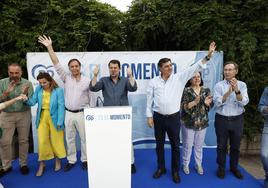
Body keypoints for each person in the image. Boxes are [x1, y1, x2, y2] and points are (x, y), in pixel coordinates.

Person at [146, 42, 216, 184]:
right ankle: (161, 168)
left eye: (171, 65)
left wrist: (208, 56)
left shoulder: (180, 77)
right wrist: (149, 116)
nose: (170, 68)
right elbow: (149, 100)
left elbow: (195, 67)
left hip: (173, 118)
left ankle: (175, 171)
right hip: (158, 118)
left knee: (175, 146)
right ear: (160, 68)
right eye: (166, 66)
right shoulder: (153, 81)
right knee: (159, 145)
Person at [38, 35, 94, 172]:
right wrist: (49, 47)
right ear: (69, 68)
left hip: (82, 114)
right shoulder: (66, 78)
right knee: (69, 138)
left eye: (76, 66)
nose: (74, 68)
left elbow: (92, 97)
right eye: (72, 66)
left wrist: (91, 113)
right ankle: (71, 160)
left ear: (80, 67)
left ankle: (85, 160)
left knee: (84, 139)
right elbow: (56, 63)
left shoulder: (87, 80)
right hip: (68, 113)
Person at [90, 59, 138, 173]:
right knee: (110, 139)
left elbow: (133, 88)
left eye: (115, 68)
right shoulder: (103, 80)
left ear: (119, 69)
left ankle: (130, 162)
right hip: (108, 116)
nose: (113, 70)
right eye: (111, 68)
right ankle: (113, 160)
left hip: (123, 116)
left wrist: (130, 75)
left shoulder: (125, 80)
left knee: (126, 139)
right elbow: (93, 88)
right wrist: (95, 75)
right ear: (109, 69)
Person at [25, 72, 66, 176]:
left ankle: (57, 160)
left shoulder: (58, 90)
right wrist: (25, 99)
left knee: (56, 140)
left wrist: (60, 121)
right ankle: (42, 164)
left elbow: (61, 106)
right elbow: (33, 102)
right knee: (42, 141)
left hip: (55, 118)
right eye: (40, 82)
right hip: (42, 117)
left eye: (44, 82)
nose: (42, 84)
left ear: (50, 81)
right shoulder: (39, 89)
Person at [213, 61, 249, 179]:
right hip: (222, 120)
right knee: (221, 146)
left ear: (236, 71)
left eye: (230, 69)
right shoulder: (219, 85)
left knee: (235, 146)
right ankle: (221, 168)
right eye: (225, 70)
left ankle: (234, 168)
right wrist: (228, 92)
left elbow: (244, 102)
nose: (227, 72)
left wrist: (237, 90)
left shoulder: (242, 85)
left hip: (237, 120)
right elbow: (217, 102)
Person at [0, 63, 33, 177]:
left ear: (21, 72)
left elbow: (31, 100)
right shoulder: (2, 82)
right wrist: (6, 93)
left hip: (24, 114)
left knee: (23, 140)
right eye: (11, 73)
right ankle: (6, 166)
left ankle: (23, 164)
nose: (14, 75)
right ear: (8, 72)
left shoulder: (27, 83)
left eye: (16, 73)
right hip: (6, 115)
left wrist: (25, 96)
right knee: (5, 142)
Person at [181, 72, 213, 175]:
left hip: (202, 122)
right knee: (187, 145)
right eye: (194, 77)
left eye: (198, 76)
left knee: (199, 145)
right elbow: (183, 107)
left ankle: (198, 164)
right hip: (188, 122)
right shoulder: (186, 91)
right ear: (190, 80)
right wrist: (194, 102)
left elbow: (209, 106)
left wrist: (207, 104)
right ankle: (185, 164)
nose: (197, 78)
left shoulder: (206, 90)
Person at [258, 87, 268, 188]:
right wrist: (265, 109)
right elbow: (260, 106)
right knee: (264, 154)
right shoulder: (267, 89)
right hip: (267, 125)